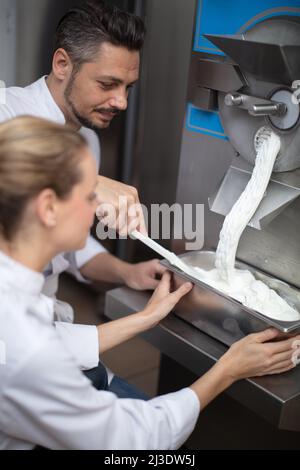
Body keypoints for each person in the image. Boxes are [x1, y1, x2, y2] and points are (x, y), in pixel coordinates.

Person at [0, 116, 298, 450]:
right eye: (89, 197)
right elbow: (136, 440)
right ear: (48, 208)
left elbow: (53, 340)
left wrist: (145, 317)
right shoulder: (27, 350)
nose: (98, 212)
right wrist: (228, 369)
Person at [0, 1, 163, 397]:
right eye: (107, 84)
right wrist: (86, 184)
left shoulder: (88, 140)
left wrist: (126, 273)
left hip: (58, 333)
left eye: (127, 88)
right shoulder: (7, 111)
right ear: (62, 64)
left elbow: (70, 246)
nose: (121, 102)